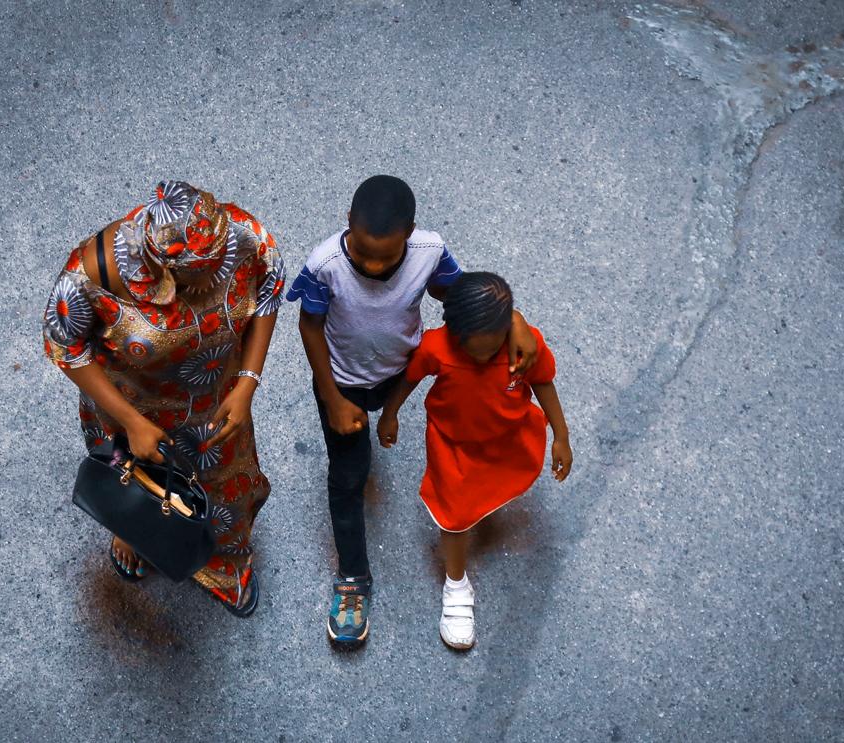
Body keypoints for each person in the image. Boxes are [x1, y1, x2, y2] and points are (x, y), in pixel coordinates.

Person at [286, 175, 540, 644]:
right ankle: (352, 580)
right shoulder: (325, 264)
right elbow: (310, 326)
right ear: (347, 224)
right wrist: (332, 397)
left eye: (387, 255)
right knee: (348, 478)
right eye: (363, 254)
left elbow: (462, 296)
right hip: (343, 381)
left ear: (411, 232)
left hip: (401, 372)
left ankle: (374, 419)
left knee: (372, 447)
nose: (375, 265)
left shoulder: (429, 251)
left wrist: (514, 319)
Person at [42, 181, 284, 616]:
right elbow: (65, 345)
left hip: (215, 400)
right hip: (131, 408)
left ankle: (222, 562)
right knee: (138, 487)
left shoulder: (239, 235)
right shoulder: (89, 275)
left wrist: (248, 381)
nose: (219, 275)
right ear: (162, 267)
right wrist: (131, 422)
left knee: (225, 489)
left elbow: (270, 285)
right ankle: (135, 533)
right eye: (205, 273)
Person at [377, 271, 572, 649]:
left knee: (486, 498)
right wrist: (390, 412)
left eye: (491, 346)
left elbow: (544, 384)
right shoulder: (436, 348)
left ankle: (478, 513)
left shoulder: (523, 347)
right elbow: (410, 379)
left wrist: (561, 436)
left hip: (506, 442)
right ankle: (456, 585)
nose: (483, 357)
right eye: (474, 350)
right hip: (455, 449)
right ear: (452, 332)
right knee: (454, 519)